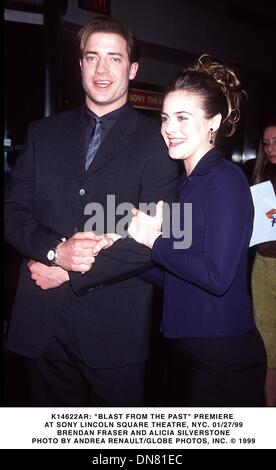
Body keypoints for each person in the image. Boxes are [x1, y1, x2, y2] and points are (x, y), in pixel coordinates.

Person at [4, 17, 179, 406]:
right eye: (92, 57)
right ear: (79, 65)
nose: (102, 70)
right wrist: (54, 250)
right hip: (40, 321)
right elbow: (12, 212)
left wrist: (67, 268)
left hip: (114, 329)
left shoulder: (159, 144)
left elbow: (156, 236)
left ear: (132, 69)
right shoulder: (42, 133)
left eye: (114, 59)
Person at [123, 55, 267, 406]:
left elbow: (216, 277)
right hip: (189, 349)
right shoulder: (186, 185)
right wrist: (125, 252)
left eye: (183, 118)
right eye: (165, 118)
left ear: (213, 122)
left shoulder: (224, 179)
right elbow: (179, 275)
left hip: (223, 355)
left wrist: (152, 240)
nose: (170, 128)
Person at [251, 118, 276, 406]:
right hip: (263, 263)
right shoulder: (258, 176)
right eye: (266, 143)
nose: (270, 149)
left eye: (275, 142)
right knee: (267, 342)